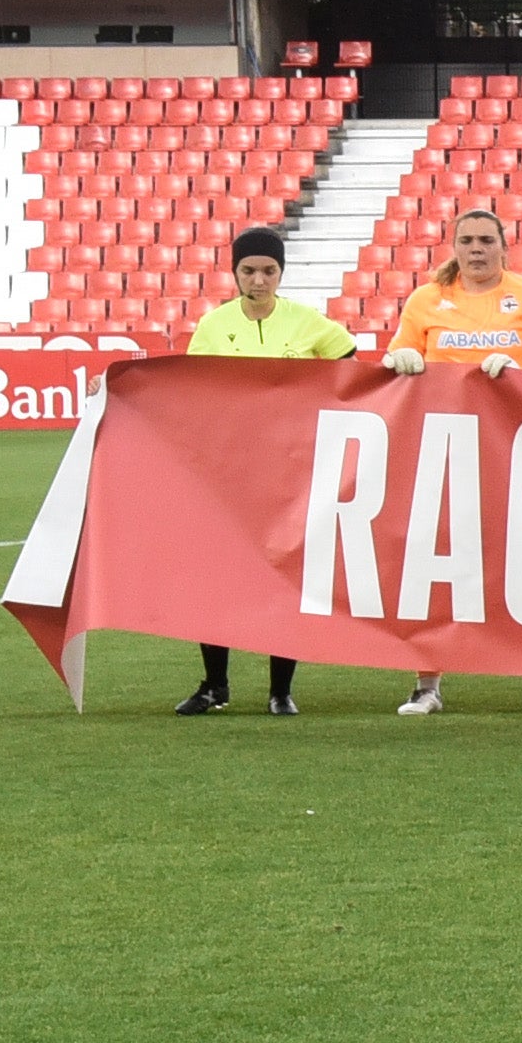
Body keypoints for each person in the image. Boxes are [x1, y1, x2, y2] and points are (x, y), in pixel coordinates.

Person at [381, 206, 522, 717]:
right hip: (444, 450)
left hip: (515, 451)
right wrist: (399, 362)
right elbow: (398, 361)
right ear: (454, 247)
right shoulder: (426, 301)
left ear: (504, 247)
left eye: (487, 240)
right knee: (433, 564)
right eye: (467, 240)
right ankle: (426, 684)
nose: (477, 249)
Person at [171, 226, 353, 715]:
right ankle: (215, 686)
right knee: (218, 576)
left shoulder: (307, 322)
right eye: (249, 270)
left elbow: (351, 367)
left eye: (268, 270)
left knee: (284, 577)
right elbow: (190, 392)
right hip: (229, 472)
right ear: (234, 272)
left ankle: (280, 690)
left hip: (290, 470)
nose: (259, 279)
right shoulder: (213, 326)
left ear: (281, 273)